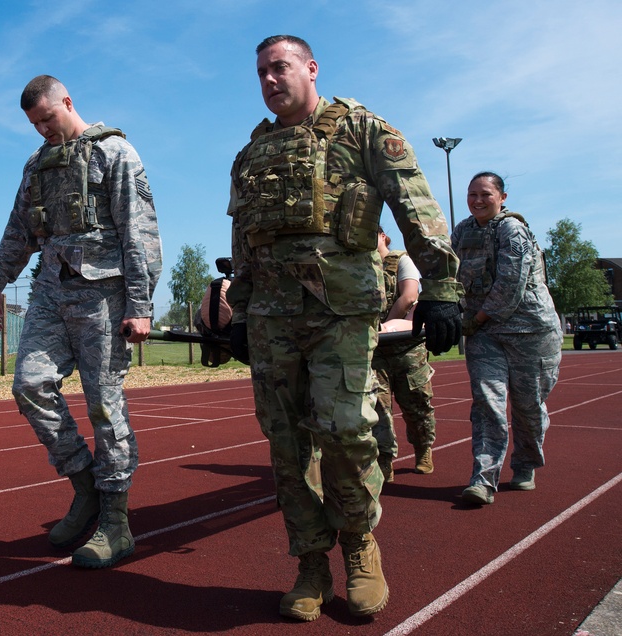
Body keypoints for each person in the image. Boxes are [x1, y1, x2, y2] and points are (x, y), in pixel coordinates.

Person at [225, 35, 463, 621]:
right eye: (261, 72)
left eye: (279, 68)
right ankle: (311, 561)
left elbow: (416, 205)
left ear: (310, 68)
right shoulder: (251, 153)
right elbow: (243, 239)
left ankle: (359, 544)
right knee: (285, 444)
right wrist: (239, 308)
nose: (269, 80)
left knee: (347, 431)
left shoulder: (362, 130)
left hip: (341, 314)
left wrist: (441, 288)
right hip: (271, 320)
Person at [0, 75, 162, 568]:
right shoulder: (36, 167)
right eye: (35, 124)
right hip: (50, 294)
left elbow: (140, 233)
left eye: (48, 118)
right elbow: (19, 229)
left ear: (67, 102)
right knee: (29, 385)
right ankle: (85, 486)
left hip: (104, 297)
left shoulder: (115, 153)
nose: (43, 130)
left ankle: (116, 522)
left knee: (105, 405)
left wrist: (140, 306)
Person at [452, 172, 561, 505]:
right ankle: (483, 480)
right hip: (486, 335)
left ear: (502, 197)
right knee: (487, 405)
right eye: (472, 194)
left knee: (528, 408)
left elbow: (509, 286)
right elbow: (448, 275)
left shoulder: (512, 230)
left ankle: (525, 465)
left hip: (530, 331)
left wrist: (473, 321)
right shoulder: (462, 232)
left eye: (485, 194)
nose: (477, 200)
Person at [372, 228, 438, 483]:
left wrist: (385, 327)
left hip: (405, 347)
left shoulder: (401, 260)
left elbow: (409, 295)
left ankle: (423, 448)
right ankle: (384, 460)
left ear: (382, 235)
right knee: (377, 407)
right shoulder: (359, 267)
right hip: (374, 350)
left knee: (417, 404)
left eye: (372, 234)